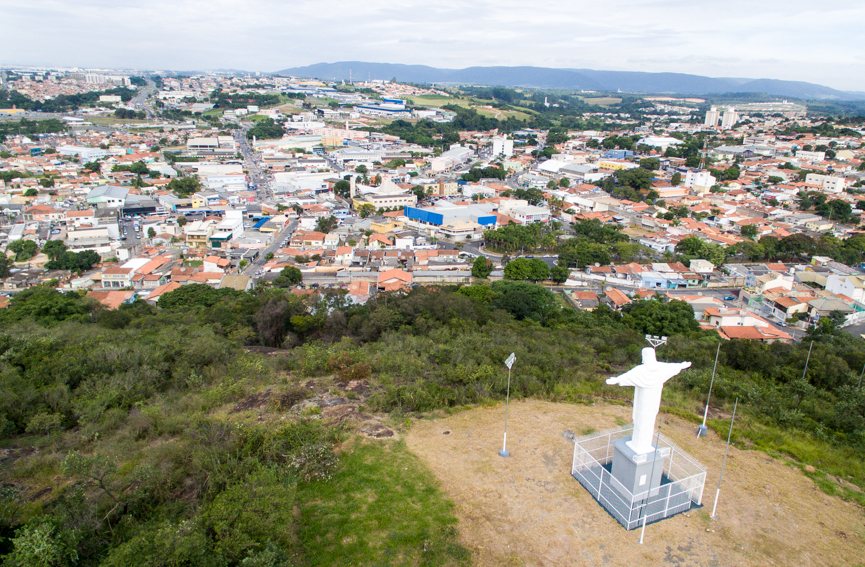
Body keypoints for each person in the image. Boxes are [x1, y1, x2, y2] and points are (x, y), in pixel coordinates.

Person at [607, 347, 691, 454]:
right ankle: (640, 443)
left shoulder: (644, 369)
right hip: (652, 398)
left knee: (644, 418)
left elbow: (630, 375)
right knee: (646, 418)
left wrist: (617, 380)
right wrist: (681, 366)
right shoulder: (660, 367)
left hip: (646, 399)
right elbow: (672, 367)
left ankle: (642, 444)